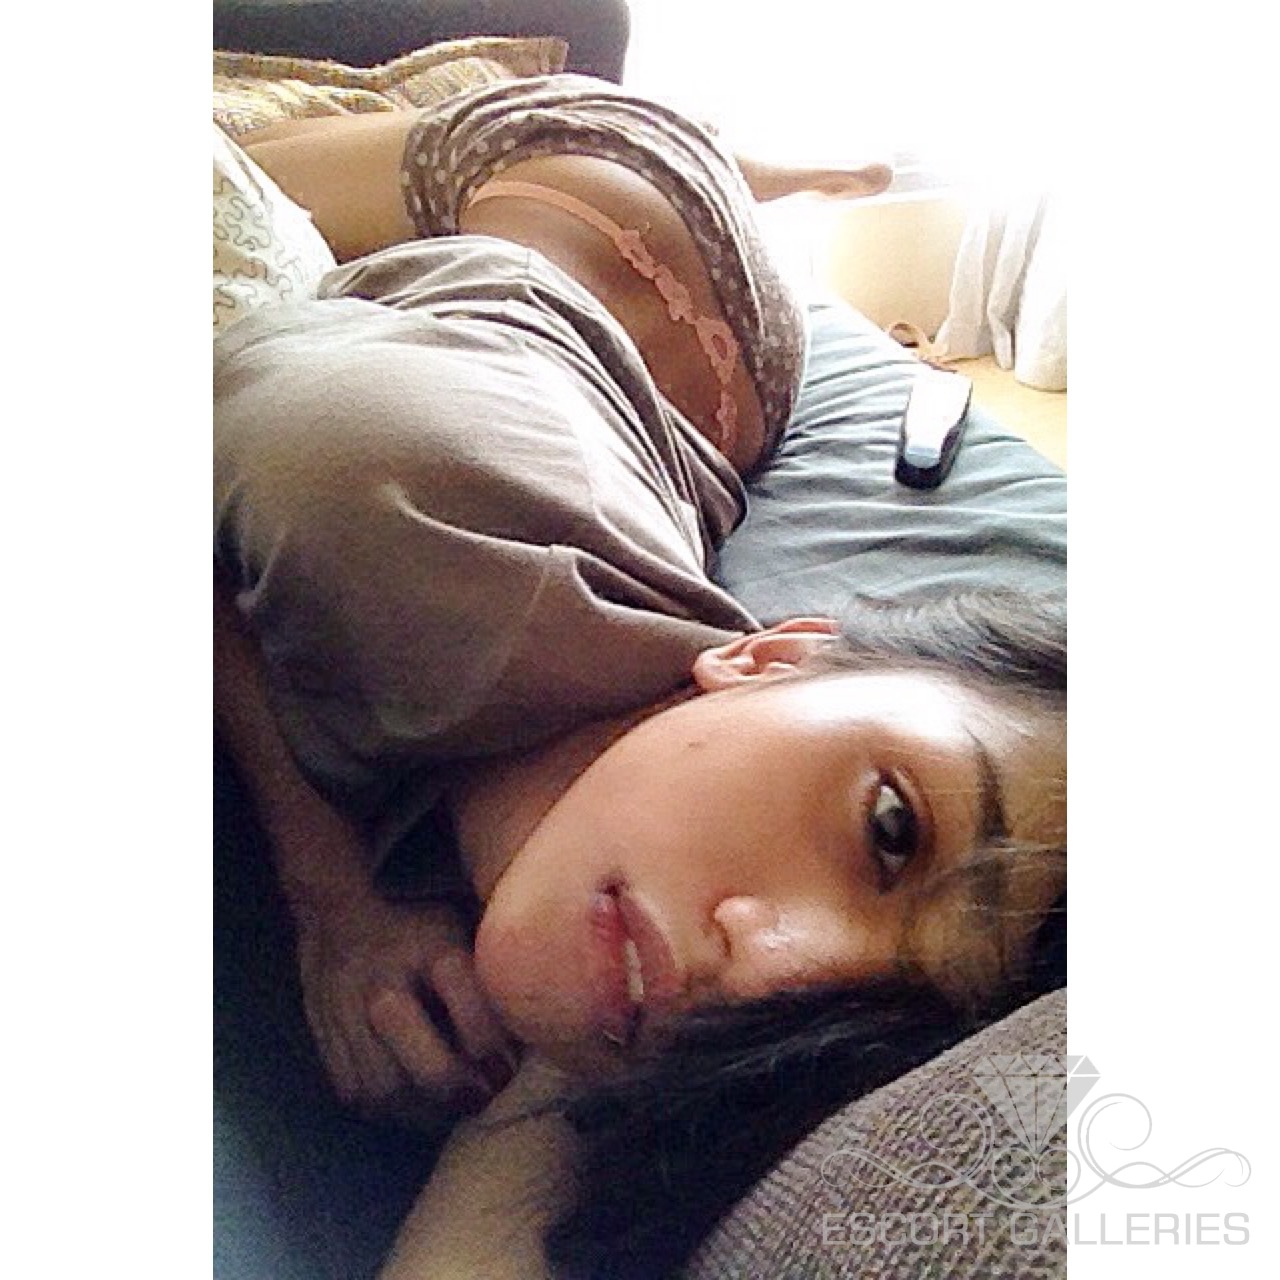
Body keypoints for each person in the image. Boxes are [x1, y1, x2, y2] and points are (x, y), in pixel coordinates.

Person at [213, 71, 1065, 1277]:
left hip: (718, 409)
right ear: (771, 653)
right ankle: (719, 151)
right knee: (238, 158)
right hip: (594, 194)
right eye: (888, 826)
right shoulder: (384, 493)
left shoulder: (672, 907)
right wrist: (331, 900)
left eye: (870, 1018)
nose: (768, 973)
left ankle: (748, 174)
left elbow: (542, 1137)